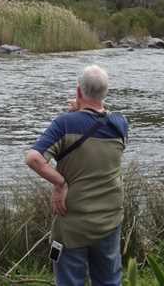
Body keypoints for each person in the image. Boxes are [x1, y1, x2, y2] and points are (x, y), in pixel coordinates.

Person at [25, 65, 129, 286]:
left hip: (73, 221)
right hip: (109, 218)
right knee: (109, 280)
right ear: (106, 93)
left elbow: (34, 158)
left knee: (70, 280)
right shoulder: (121, 124)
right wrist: (84, 107)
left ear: (78, 91)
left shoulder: (64, 124)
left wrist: (60, 183)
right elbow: (101, 117)